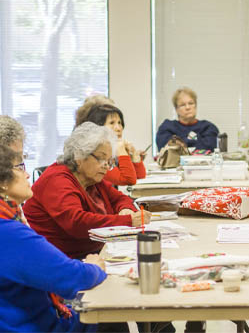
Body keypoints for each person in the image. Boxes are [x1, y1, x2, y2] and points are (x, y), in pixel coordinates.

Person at [0, 144, 107, 332]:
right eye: (20, 167)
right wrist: (95, 267)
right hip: (37, 326)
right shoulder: (9, 232)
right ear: (2, 182)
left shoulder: (11, 219)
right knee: (107, 312)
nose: (27, 175)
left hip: (24, 318)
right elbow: (72, 278)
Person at [23, 122, 151, 259]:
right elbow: (76, 222)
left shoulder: (91, 178)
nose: (106, 166)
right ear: (79, 156)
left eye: (109, 161)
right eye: (101, 158)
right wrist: (126, 220)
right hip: (61, 261)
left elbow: (120, 198)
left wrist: (125, 209)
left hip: (92, 254)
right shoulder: (57, 179)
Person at [79, 103, 147, 186]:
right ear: (98, 126)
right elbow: (128, 180)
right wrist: (121, 151)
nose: (118, 128)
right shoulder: (96, 154)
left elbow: (140, 177)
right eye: (112, 123)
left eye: (119, 123)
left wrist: (135, 157)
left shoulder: (112, 150)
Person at [156, 87, 219, 151]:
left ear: (196, 106)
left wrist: (181, 142)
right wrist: (195, 142)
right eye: (183, 105)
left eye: (191, 103)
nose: (188, 107)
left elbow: (211, 147)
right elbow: (165, 148)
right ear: (176, 109)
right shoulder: (167, 128)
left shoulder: (208, 127)